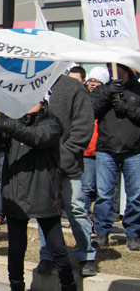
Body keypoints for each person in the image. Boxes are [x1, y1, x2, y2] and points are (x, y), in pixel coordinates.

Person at [0, 101, 77, 291]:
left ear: (43, 104)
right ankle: (16, 285)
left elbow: (36, 137)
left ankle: (68, 284)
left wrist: (8, 124)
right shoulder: (14, 122)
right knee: (16, 248)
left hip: (44, 194)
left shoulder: (51, 124)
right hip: (16, 194)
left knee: (57, 247)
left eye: (34, 100)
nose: (28, 104)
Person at [37, 73, 96, 277]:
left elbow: (84, 125)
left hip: (68, 163)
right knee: (44, 212)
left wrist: (68, 152)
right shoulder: (30, 85)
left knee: (76, 208)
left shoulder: (72, 87)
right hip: (42, 164)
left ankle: (87, 255)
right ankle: (47, 255)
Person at [91, 63, 140, 251]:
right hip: (106, 149)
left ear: (125, 69)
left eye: (115, 67)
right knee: (104, 195)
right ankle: (102, 233)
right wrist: (106, 94)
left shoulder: (137, 90)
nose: (111, 71)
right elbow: (90, 111)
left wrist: (128, 108)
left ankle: (134, 233)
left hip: (133, 149)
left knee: (135, 196)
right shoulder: (103, 90)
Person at [82, 67, 110, 216]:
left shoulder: (109, 100)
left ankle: (100, 219)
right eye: (90, 81)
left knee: (104, 189)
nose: (92, 84)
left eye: (97, 82)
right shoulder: (83, 99)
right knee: (87, 187)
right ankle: (83, 216)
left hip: (104, 149)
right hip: (87, 150)